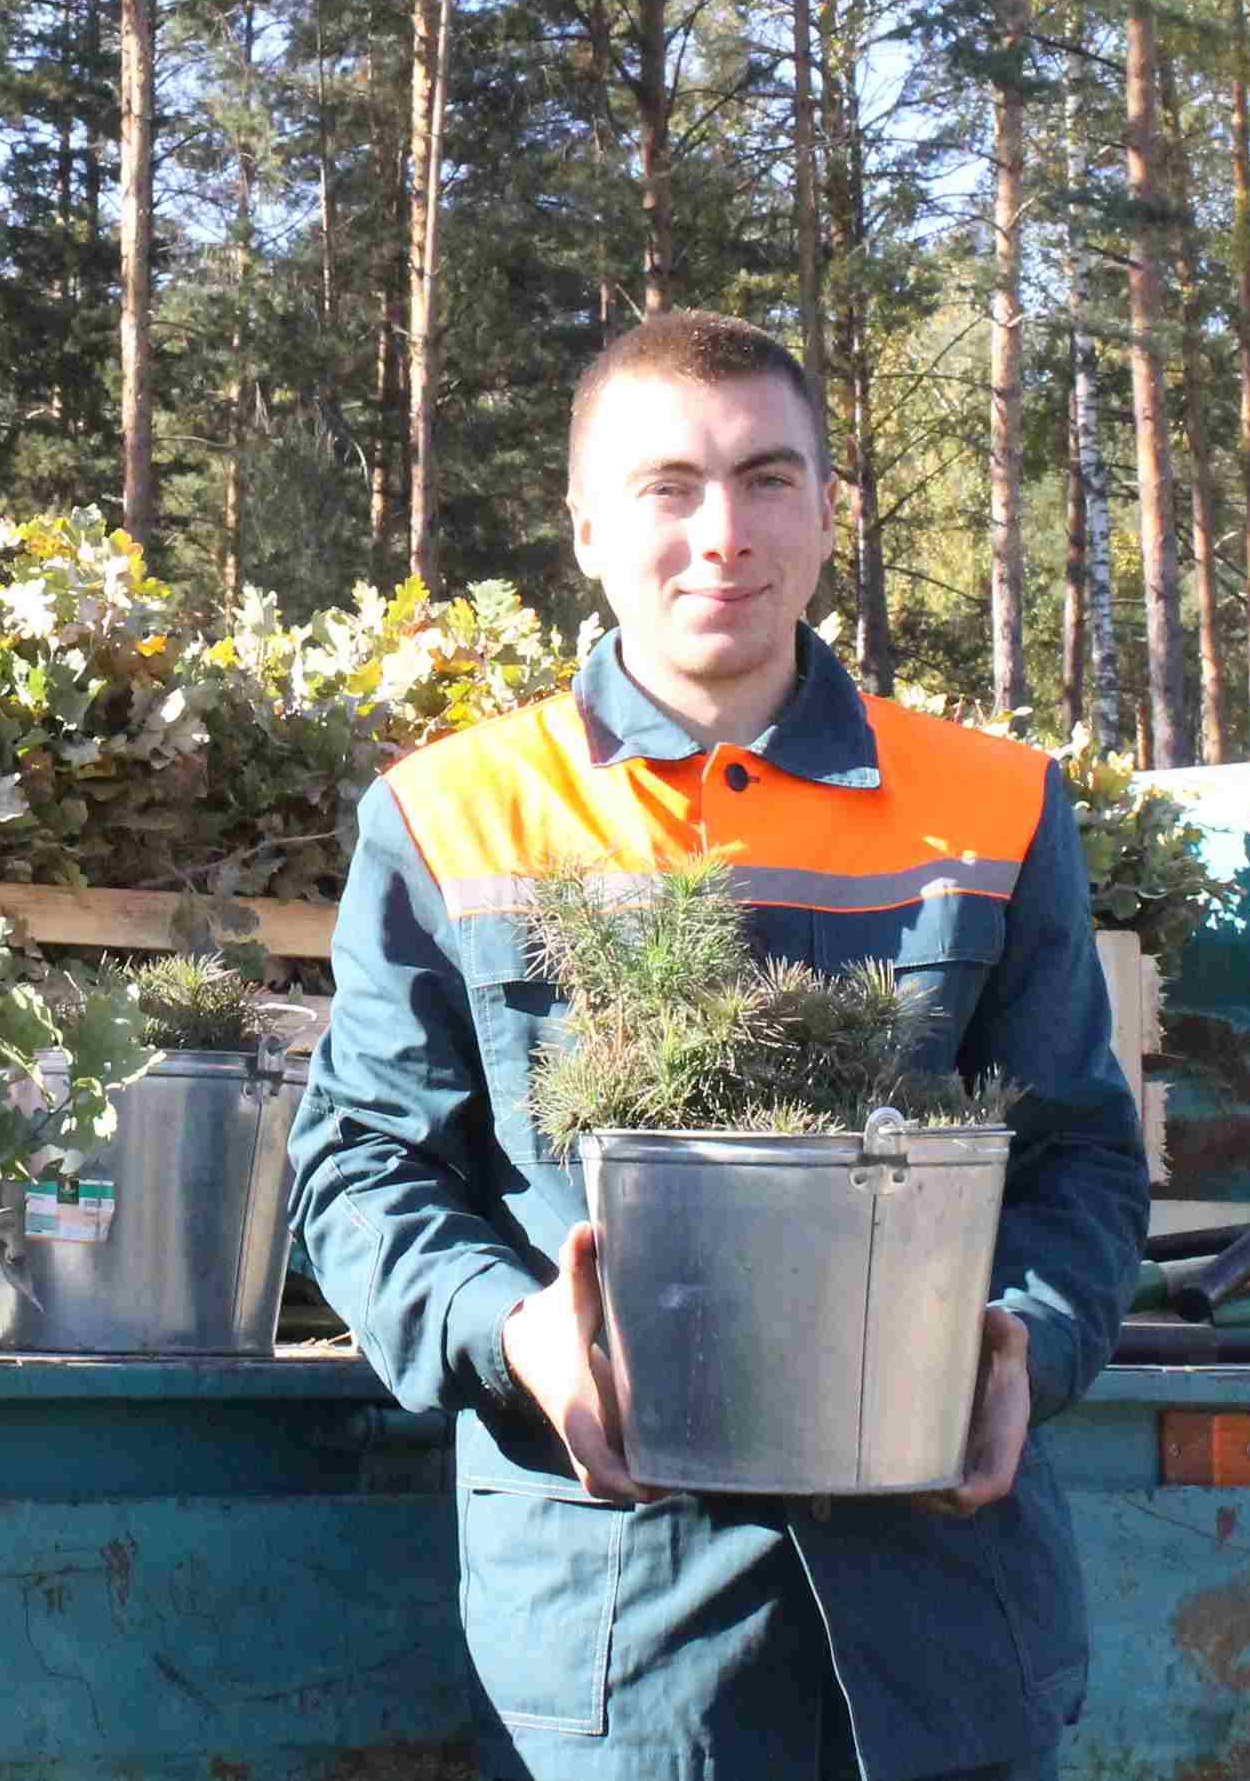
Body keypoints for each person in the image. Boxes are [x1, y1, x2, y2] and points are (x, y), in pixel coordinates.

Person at [286, 310, 1147, 1781]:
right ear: (585, 528)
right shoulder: (452, 814)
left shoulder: (992, 803)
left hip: (941, 1603)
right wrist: (514, 1332)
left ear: (825, 511)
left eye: (764, 478)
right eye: (665, 486)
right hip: (625, 1620)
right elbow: (361, 1173)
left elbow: (1070, 1153)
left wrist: (1029, 1341)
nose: (719, 533)